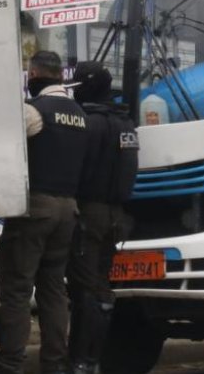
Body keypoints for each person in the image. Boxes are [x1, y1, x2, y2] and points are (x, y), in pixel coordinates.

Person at [0, 51, 89, 374]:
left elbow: (2, 147)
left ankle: (10, 363)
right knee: (52, 289)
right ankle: (54, 364)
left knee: (17, 288)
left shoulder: (33, 112)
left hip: (36, 208)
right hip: (68, 210)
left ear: (34, 74)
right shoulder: (80, 115)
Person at [66, 62, 139, 374]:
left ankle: (82, 360)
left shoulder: (85, 124)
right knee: (101, 286)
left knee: (85, 290)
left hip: (89, 214)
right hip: (117, 216)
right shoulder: (127, 125)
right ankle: (91, 358)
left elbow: (74, 171)